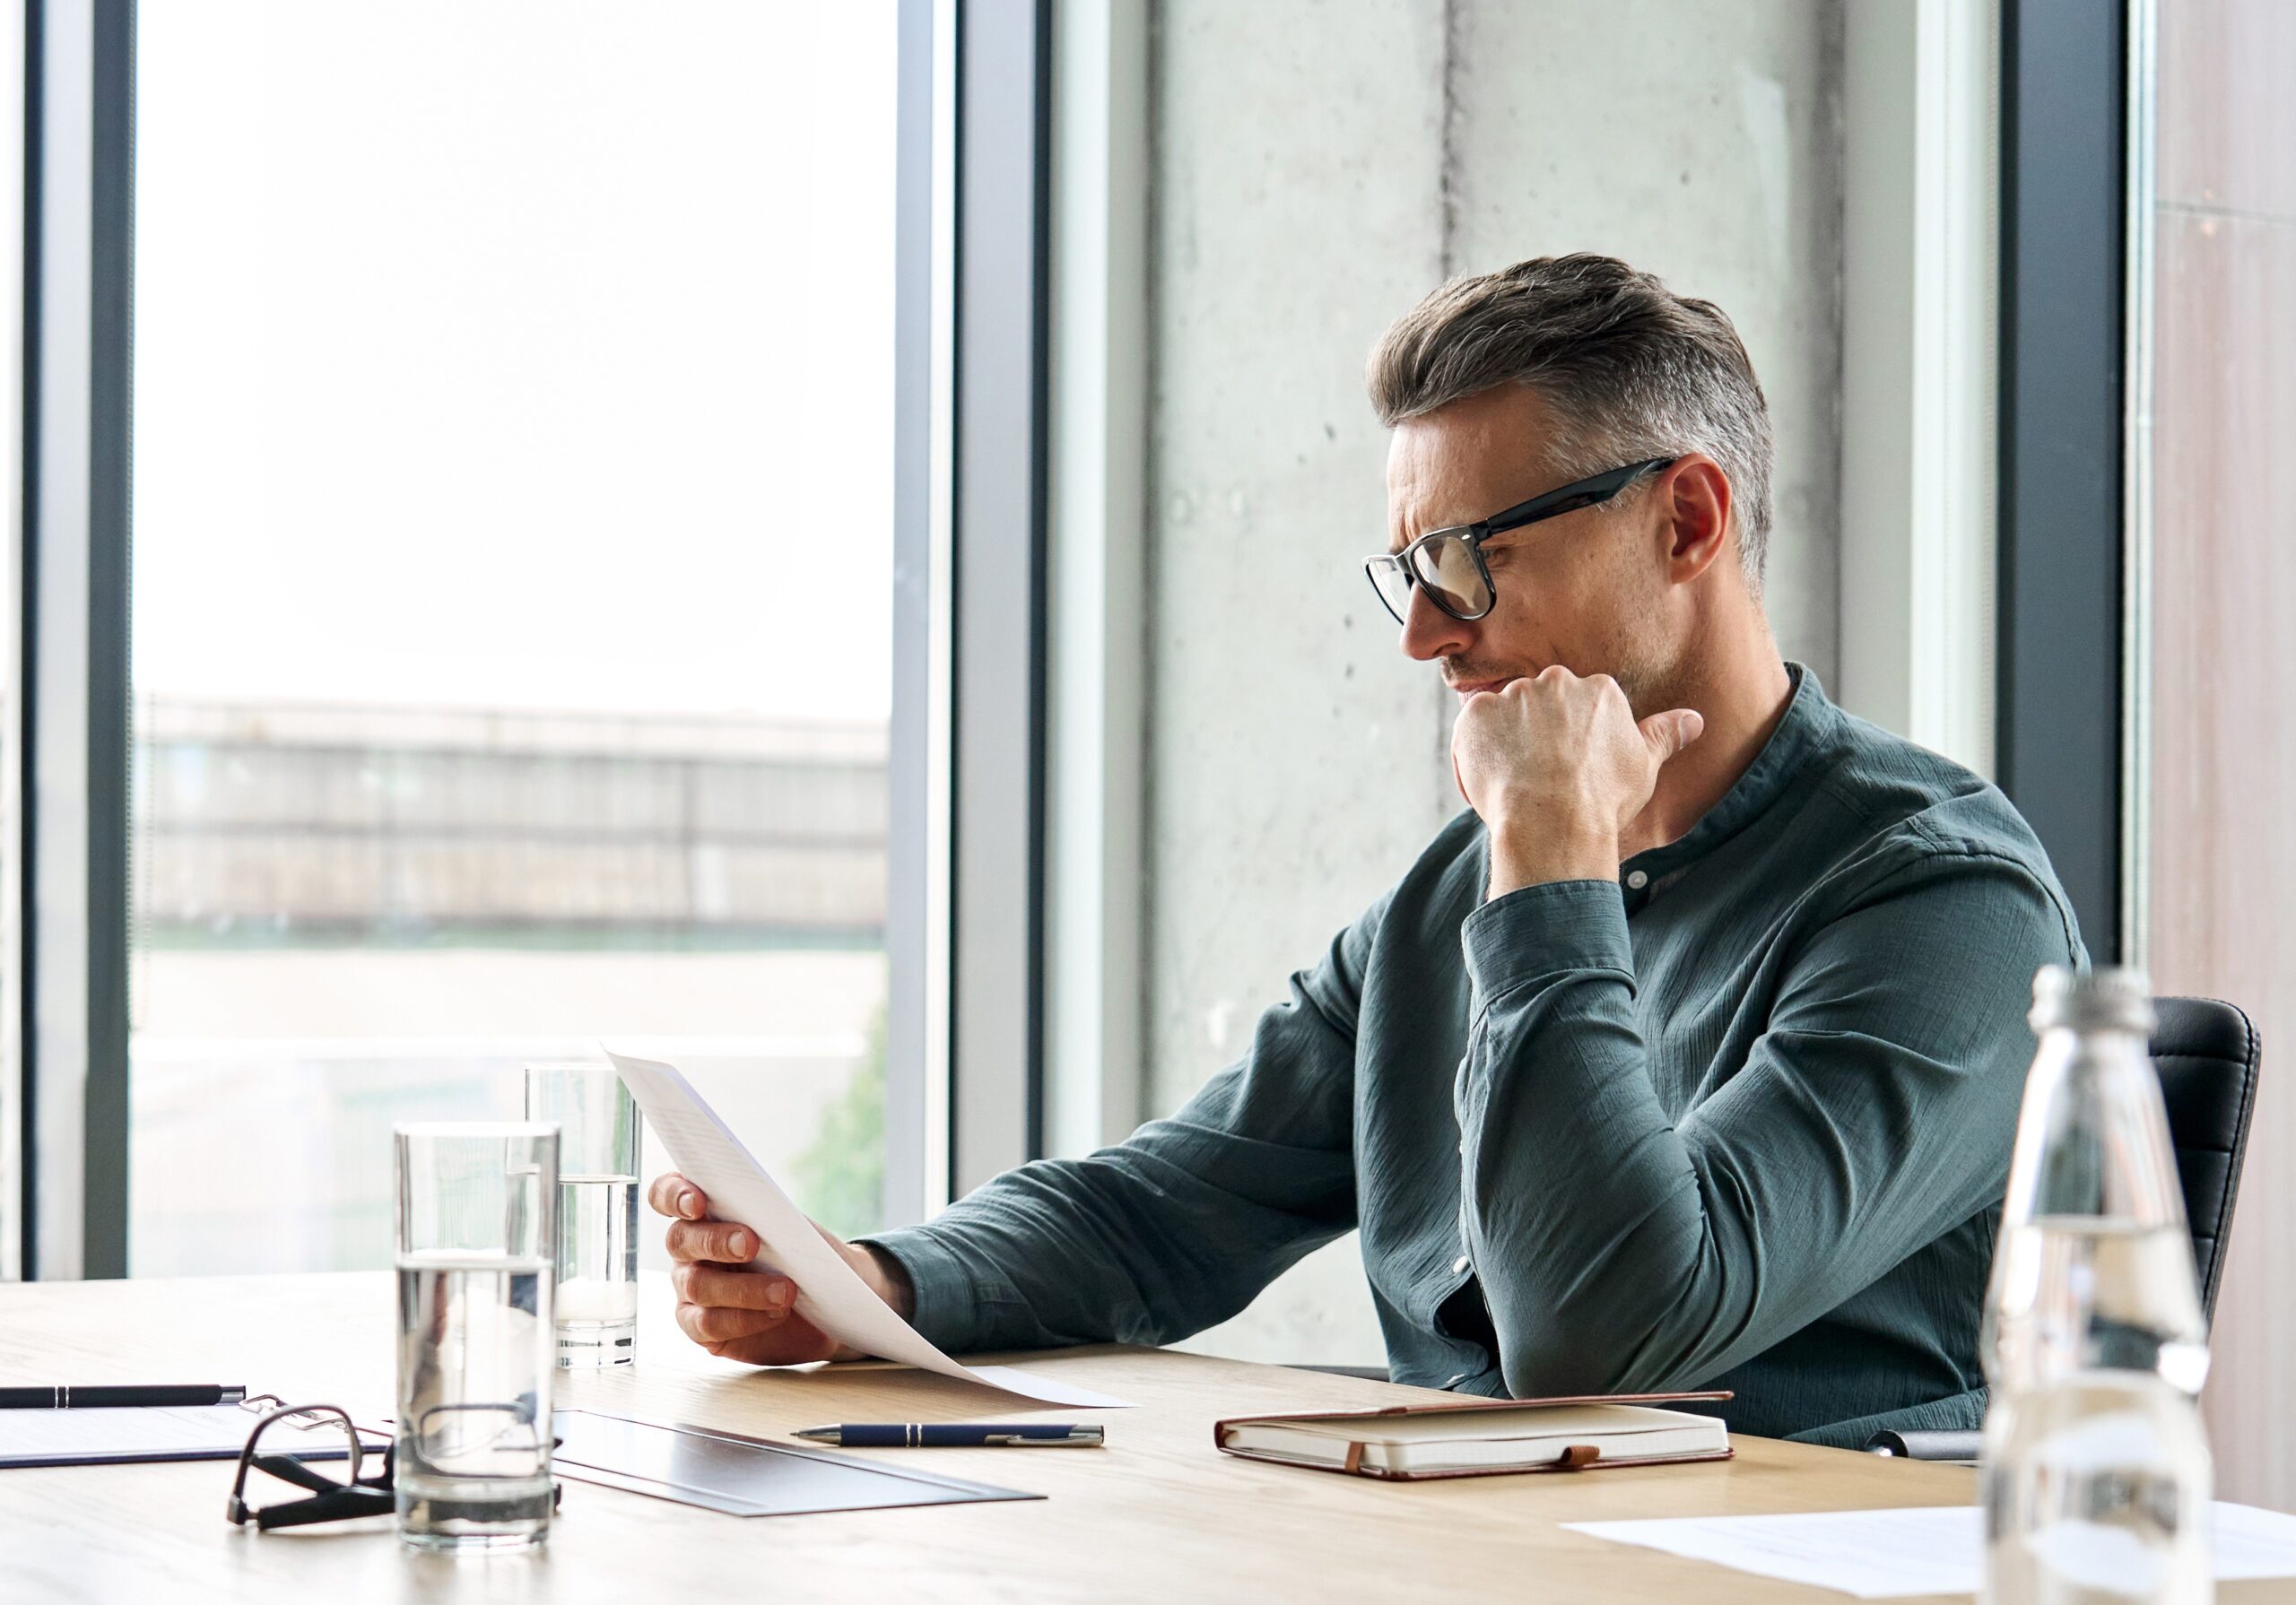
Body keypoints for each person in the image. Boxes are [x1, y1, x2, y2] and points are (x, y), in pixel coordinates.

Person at [648, 253, 2081, 1446]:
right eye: (1409, 569)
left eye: (1470, 559)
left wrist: (1552, 863)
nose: (1422, 633)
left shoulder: (1941, 903)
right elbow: (1168, 1207)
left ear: (1686, 519)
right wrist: (871, 1279)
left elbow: (1605, 1333)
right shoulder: (1458, 896)